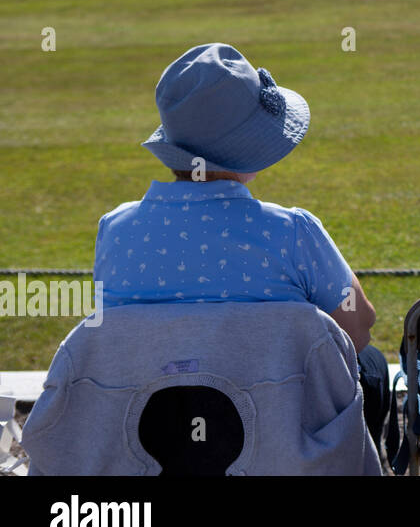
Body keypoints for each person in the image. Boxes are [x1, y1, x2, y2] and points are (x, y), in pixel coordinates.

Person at [93, 43, 388, 449]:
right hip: (279, 441)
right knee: (371, 366)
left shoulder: (116, 230)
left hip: (151, 440)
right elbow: (358, 330)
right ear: (250, 146)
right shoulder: (292, 231)